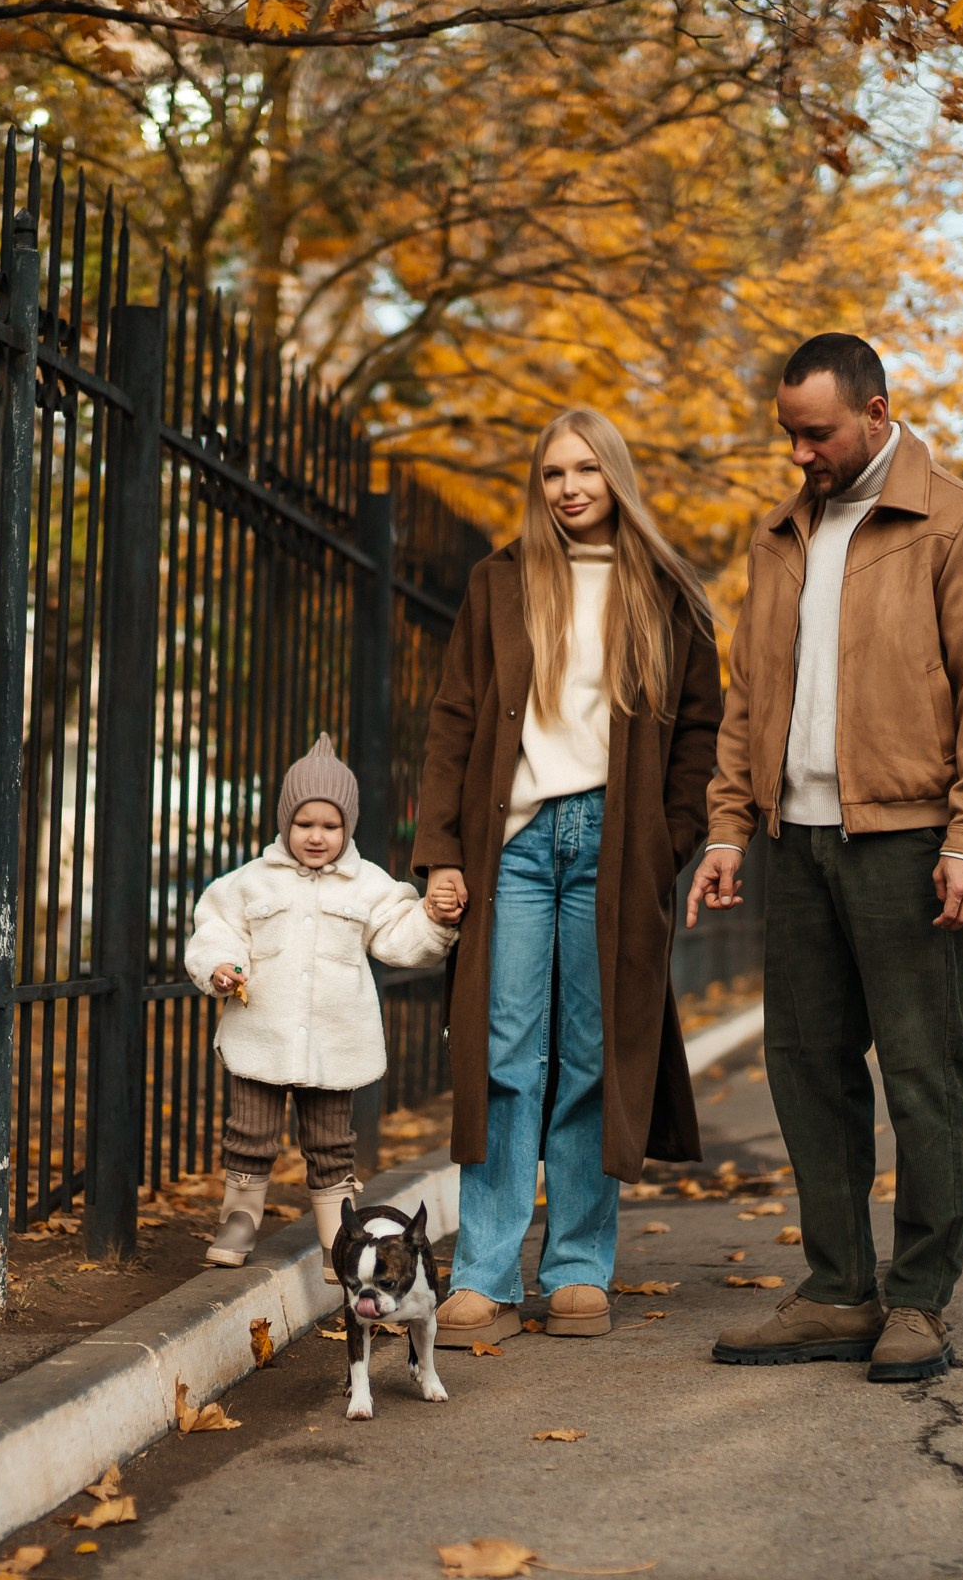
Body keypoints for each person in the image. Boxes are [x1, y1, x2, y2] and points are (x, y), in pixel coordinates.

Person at [689, 333, 963, 1383]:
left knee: (924, 1074)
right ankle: (837, 1289)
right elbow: (750, 695)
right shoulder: (782, 535)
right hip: (798, 843)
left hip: (911, 838)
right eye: (790, 432)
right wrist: (729, 824)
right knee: (805, 1069)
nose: (801, 452)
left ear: (878, 414)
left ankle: (920, 1300)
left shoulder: (959, 523)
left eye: (819, 431)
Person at [413, 407, 723, 1347]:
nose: (570, 488)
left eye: (587, 469)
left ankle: (580, 1267)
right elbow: (455, 718)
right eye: (553, 473)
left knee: (595, 1056)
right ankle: (485, 1274)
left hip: (616, 848)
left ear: (615, 476)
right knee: (505, 1052)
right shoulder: (500, 581)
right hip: (516, 845)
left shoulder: (666, 591)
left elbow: (705, 732)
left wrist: (668, 842)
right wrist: (441, 851)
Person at [185, 733, 459, 1273]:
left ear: (347, 827)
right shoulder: (250, 881)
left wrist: (434, 920)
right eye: (304, 824)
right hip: (261, 1034)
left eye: (330, 826)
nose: (316, 836)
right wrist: (220, 965)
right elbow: (216, 927)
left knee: (332, 1142)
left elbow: (400, 939)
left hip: (335, 1041)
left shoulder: (369, 886)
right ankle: (239, 1218)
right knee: (250, 1134)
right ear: (286, 821)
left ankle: (339, 1234)